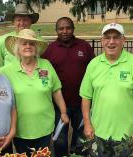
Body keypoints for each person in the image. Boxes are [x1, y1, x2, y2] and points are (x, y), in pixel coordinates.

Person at [80, 23, 133, 156]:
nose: (111, 42)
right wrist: (87, 124)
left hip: (127, 136)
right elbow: (86, 96)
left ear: (123, 40)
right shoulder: (93, 64)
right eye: (107, 37)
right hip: (98, 134)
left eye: (116, 37)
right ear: (102, 41)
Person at [0, 29, 69, 156]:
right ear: (17, 48)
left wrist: (63, 112)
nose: (28, 46)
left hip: (45, 126)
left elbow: (56, 91)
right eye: (24, 43)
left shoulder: (46, 65)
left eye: (31, 44)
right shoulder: (6, 71)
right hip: (20, 129)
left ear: (36, 48)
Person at [42, 17, 95, 156]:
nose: (65, 31)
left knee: (81, 137)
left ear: (73, 29)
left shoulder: (84, 47)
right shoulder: (49, 50)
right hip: (59, 105)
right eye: (61, 28)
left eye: (68, 28)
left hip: (82, 103)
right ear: (56, 30)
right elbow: (43, 75)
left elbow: (94, 71)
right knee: (60, 138)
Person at [0, 2, 39, 68]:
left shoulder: (38, 41)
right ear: (13, 22)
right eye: (18, 20)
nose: (22, 23)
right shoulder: (3, 40)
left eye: (25, 20)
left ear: (31, 22)